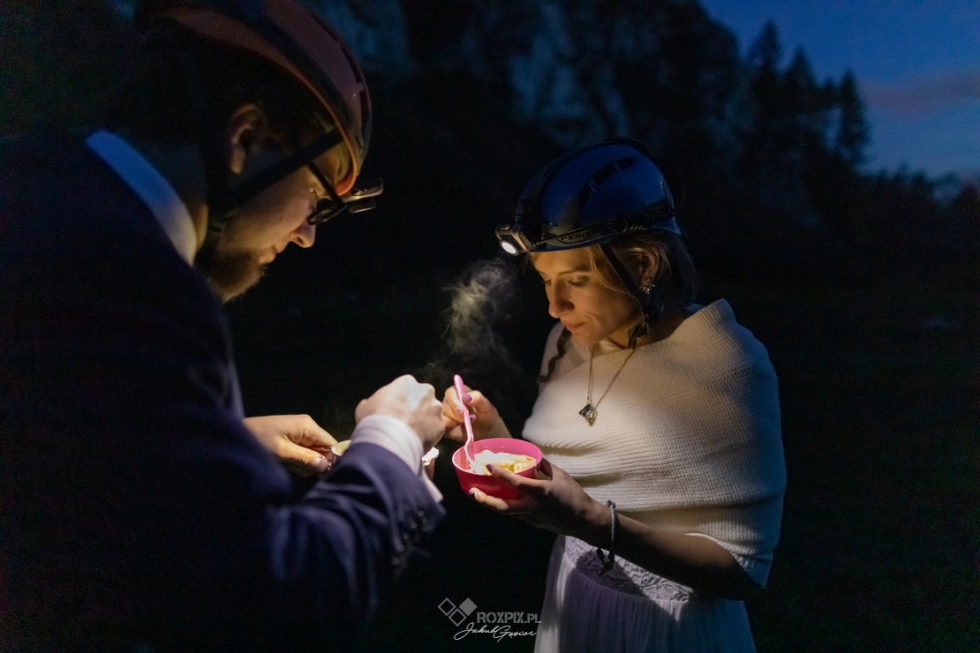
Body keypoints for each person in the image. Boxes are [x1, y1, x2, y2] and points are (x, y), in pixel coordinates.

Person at [0, 1, 445, 650]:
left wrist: (204, 437)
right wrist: (390, 447)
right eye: (316, 198)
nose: (306, 237)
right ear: (244, 138)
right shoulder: (132, 280)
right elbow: (278, 602)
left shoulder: (36, 184)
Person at [443, 139, 787, 652]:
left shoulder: (726, 365)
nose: (555, 307)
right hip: (574, 609)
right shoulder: (567, 344)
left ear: (645, 266)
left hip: (671, 632)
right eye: (544, 281)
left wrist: (590, 522)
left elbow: (740, 574)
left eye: (576, 280)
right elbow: (566, 490)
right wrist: (494, 438)